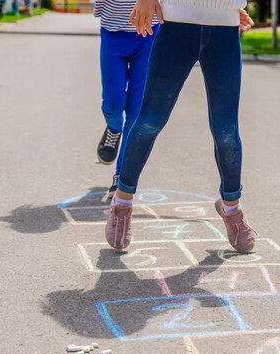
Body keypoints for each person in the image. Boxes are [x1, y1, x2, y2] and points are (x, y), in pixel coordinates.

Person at [105, 0, 257, 254]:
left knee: (225, 130)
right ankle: (122, 203)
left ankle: (232, 209)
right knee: (150, 121)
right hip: (176, 24)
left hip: (225, 27)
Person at [93, 0, 160, 198]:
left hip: (149, 34)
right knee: (113, 104)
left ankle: (122, 175)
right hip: (113, 32)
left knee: (136, 111)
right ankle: (114, 128)